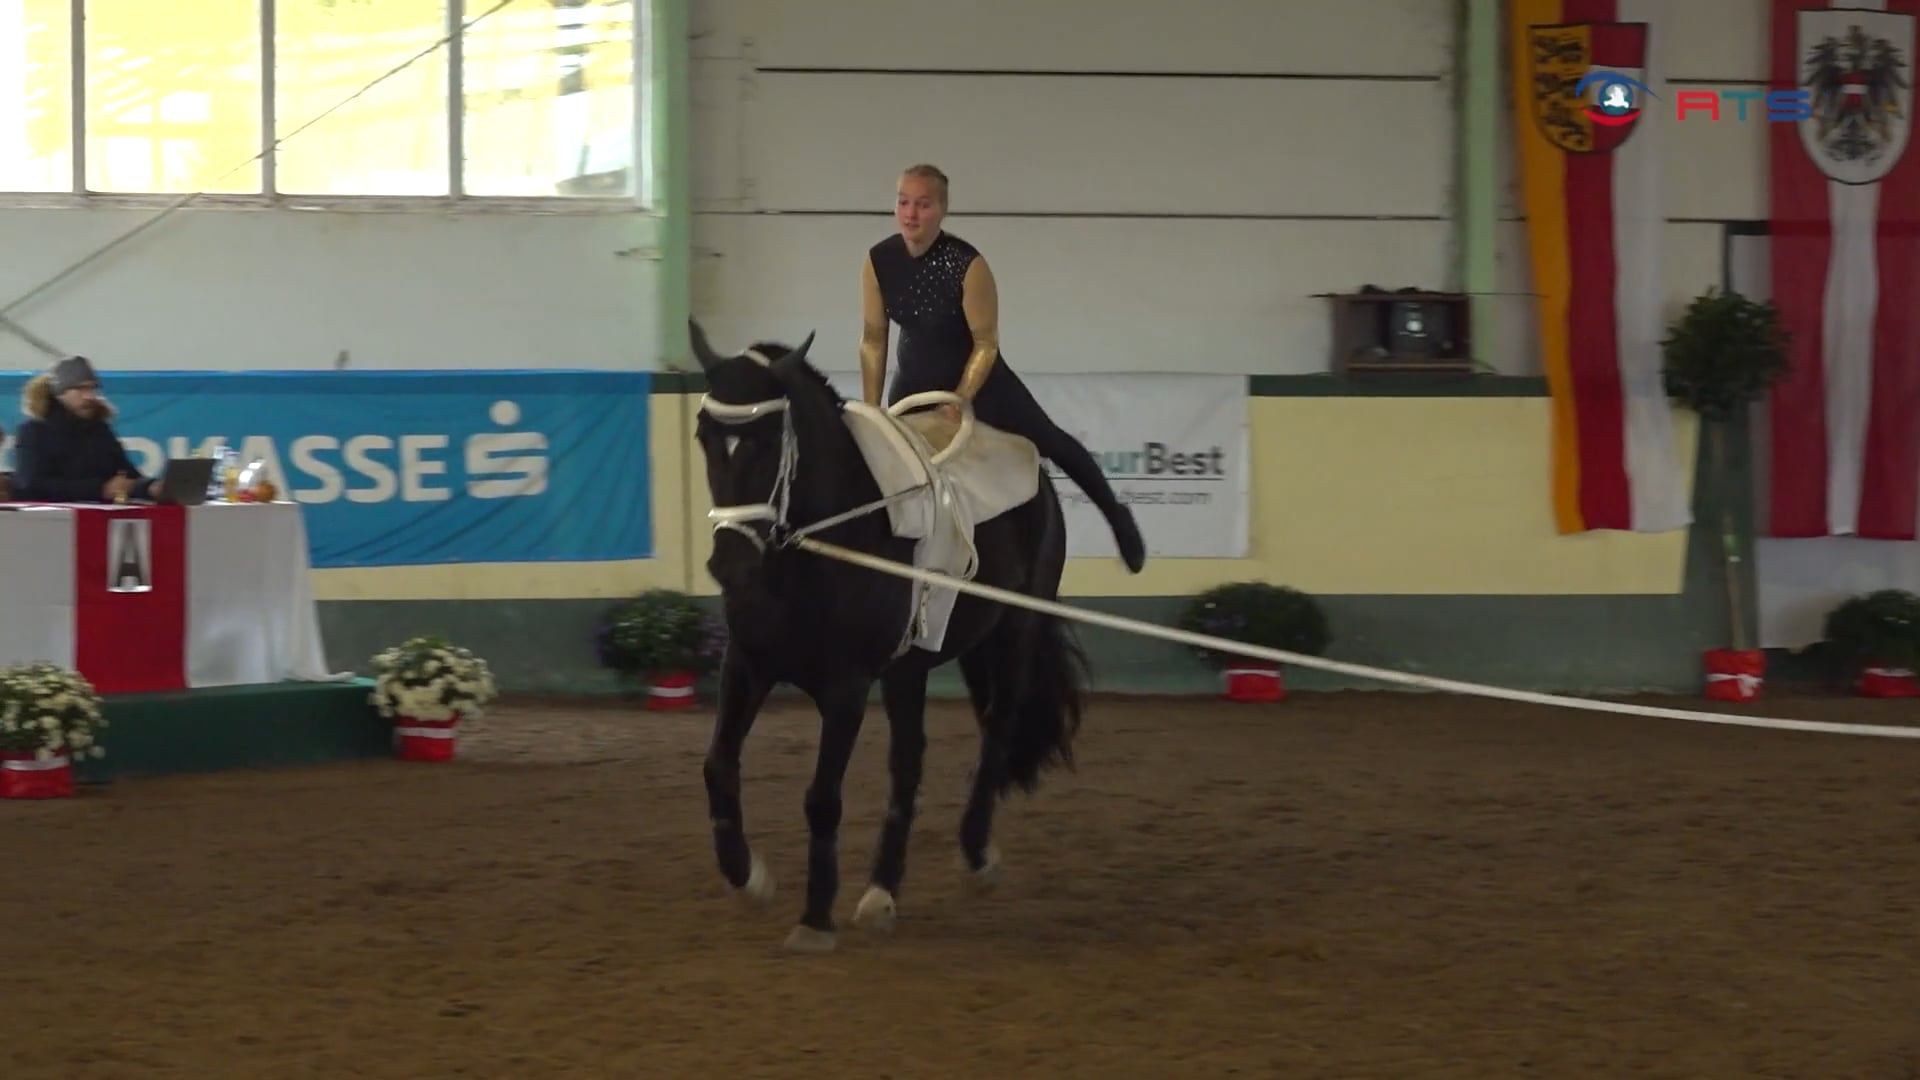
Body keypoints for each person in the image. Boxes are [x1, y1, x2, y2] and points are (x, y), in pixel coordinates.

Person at [860, 163, 1147, 573]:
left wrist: (961, 399)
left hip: (981, 380)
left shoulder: (967, 263)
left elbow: (985, 343)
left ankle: (1118, 517)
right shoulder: (878, 261)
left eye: (922, 205)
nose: (910, 214)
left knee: (1055, 442)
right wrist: (871, 410)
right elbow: (873, 338)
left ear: (941, 209)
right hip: (914, 383)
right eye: (903, 202)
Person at [11, 355, 160, 504]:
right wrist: (100, 489)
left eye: (93, 388)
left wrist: (149, 487)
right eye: (81, 389)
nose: (90, 396)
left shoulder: (100, 430)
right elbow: (29, 485)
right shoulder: (34, 432)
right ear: (60, 393)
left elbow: (126, 473)